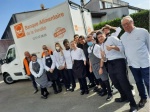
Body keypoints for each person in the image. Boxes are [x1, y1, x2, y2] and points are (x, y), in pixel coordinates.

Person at [97, 31, 138, 112]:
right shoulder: (101, 46)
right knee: (115, 83)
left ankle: (133, 104)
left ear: (104, 35)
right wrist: (102, 56)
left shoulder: (112, 38)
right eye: (98, 37)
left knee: (124, 83)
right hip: (109, 64)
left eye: (101, 36)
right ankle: (123, 96)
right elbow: (104, 59)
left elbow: (123, 48)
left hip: (119, 62)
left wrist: (113, 47)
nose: (100, 38)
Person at [120, 16, 150, 108]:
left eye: (127, 23)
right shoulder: (122, 37)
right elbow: (124, 50)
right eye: (123, 25)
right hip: (132, 65)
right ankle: (143, 98)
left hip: (145, 63)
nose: (126, 26)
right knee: (138, 82)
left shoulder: (143, 31)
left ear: (132, 22)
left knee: (148, 82)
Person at [87, 35, 112, 101]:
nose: (89, 42)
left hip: (99, 64)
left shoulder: (97, 47)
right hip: (94, 66)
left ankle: (110, 93)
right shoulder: (88, 48)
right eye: (88, 41)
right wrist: (90, 67)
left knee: (105, 79)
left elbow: (101, 57)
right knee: (99, 79)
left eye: (90, 40)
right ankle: (104, 90)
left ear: (93, 39)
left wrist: (101, 67)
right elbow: (90, 58)